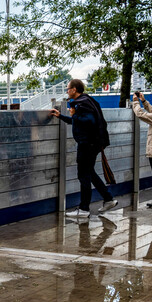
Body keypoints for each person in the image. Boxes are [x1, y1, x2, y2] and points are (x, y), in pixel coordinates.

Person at [49, 79, 118, 218]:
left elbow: (88, 121)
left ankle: (84, 209)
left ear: (74, 89)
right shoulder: (88, 100)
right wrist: (61, 116)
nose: (67, 91)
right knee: (89, 173)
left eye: (68, 89)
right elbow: (79, 122)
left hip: (88, 144)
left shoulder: (81, 103)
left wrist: (74, 115)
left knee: (83, 175)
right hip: (93, 143)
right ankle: (108, 199)